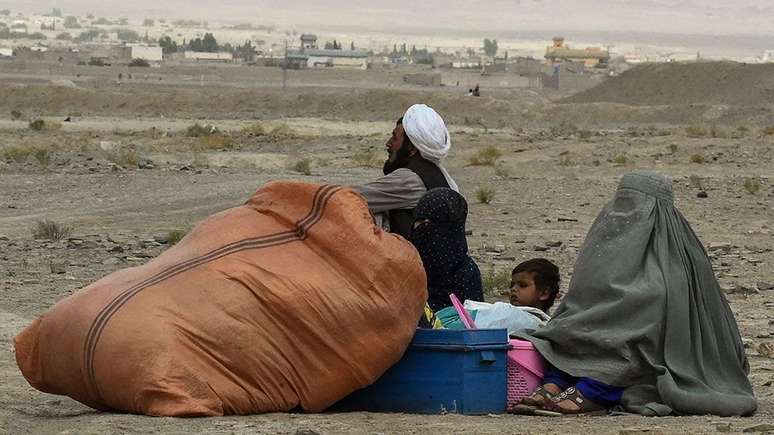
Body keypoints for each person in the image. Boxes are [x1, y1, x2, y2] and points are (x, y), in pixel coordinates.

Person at [517, 171, 756, 416]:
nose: (625, 211)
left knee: (627, 349)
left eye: (636, 203)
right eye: (622, 201)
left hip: (640, 346)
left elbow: (672, 307)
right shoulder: (602, 240)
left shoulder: (680, 255)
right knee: (566, 338)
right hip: (586, 336)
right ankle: (554, 383)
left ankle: (590, 391)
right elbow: (578, 299)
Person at [353, 104, 458, 240]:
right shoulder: (438, 174)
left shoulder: (410, 180)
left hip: (416, 259)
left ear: (412, 149)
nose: (388, 143)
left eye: (395, 138)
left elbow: (351, 198)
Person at [411, 188, 482, 312]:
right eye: (420, 221)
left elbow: (473, 320)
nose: (424, 228)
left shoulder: (466, 272)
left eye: (434, 222)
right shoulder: (407, 265)